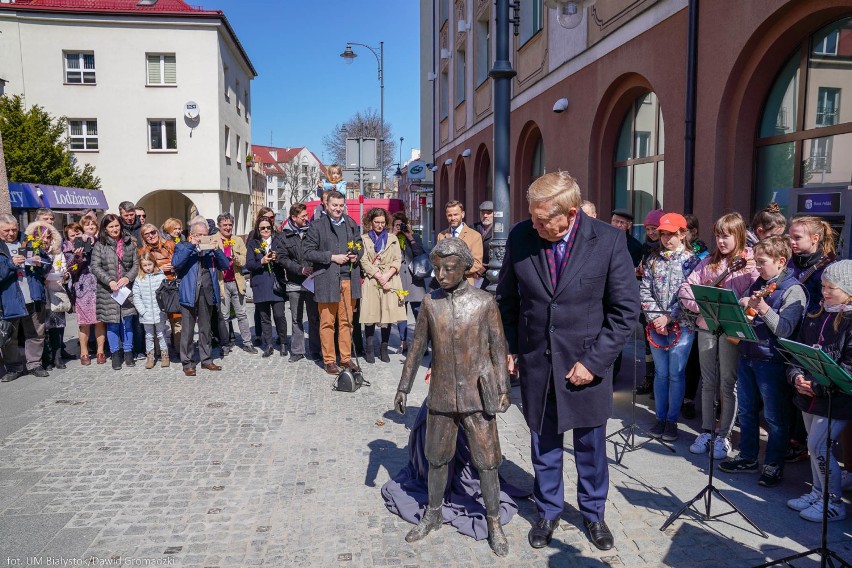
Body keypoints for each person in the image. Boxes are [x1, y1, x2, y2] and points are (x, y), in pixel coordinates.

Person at [496, 172, 639, 551]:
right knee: (543, 444)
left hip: (587, 366)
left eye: (544, 220)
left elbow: (625, 311)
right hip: (537, 362)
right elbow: (507, 300)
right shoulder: (521, 236)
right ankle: (547, 510)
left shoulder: (608, 241)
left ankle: (593, 514)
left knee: (591, 447)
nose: (536, 225)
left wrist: (594, 362)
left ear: (571, 213)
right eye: (533, 217)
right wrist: (510, 347)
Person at [394, 237, 512, 557]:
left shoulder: (485, 303)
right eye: (437, 269)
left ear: (465, 268)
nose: (441, 275)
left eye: (448, 268)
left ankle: (493, 521)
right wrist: (404, 387)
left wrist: (503, 388)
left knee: (488, 462)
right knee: (437, 458)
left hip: (478, 394)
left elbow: (498, 349)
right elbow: (416, 349)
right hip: (443, 395)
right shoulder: (431, 304)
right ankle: (433, 513)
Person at [719, 236, 806, 487]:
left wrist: (764, 308)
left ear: (781, 262)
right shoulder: (760, 282)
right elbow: (745, 313)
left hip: (772, 360)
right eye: (755, 261)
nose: (757, 267)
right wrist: (742, 303)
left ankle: (773, 464)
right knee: (747, 411)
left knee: (775, 418)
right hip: (748, 354)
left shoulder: (793, 289)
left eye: (762, 262)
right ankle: (747, 457)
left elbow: (786, 329)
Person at [680, 213, 758, 460]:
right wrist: (702, 306)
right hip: (707, 326)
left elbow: (754, 296)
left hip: (732, 330)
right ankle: (706, 430)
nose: (721, 241)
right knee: (708, 380)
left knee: (728, 382)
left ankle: (723, 435)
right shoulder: (709, 263)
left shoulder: (750, 263)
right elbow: (686, 289)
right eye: (717, 235)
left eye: (727, 236)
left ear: (739, 236)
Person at [785, 261, 851, 522]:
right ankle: (817, 492)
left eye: (831, 287)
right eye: (822, 286)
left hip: (837, 398)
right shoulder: (817, 314)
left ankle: (833, 502)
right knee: (815, 447)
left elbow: (848, 366)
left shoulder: (849, 321)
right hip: (808, 394)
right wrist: (796, 377)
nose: (824, 292)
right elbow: (796, 351)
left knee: (819, 446)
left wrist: (817, 386)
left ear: (848, 290)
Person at [640, 213, 700, 441]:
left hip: (682, 325)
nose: (666, 239)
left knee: (676, 374)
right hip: (656, 325)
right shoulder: (653, 259)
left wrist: (670, 316)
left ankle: (672, 420)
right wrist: (656, 317)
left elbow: (691, 294)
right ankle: (660, 418)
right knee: (661, 372)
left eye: (671, 234)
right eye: (663, 234)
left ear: (683, 234)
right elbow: (644, 290)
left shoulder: (691, 261)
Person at [787, 215, 837, 462]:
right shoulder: (791, 263)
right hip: (787, 332)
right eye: (790, 236)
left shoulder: (825, 269)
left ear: (815, 238)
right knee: (789, 388)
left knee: (805, 390)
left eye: (797, 237)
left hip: (810, 336)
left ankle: (802, 443)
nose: (792, 242)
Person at [303, 189, 364, 375]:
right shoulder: (317, 226)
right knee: (327, 322)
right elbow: (307, 252)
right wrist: (331, 257)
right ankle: (329, 360)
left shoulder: (351, 224)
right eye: (334, 205)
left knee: (347, 322)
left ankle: (345, 359)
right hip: (328, 280)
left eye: (340, 205)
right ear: (326, 206)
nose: (338, 209)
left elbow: (360, 245)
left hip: (348, 279)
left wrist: (356, 255)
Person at [172, 218, 230, 376]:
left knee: (206, 329)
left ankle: (206, 359)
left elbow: (225, 265)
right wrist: (192, 245)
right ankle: (188, 362)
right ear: (191, 235)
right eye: (199, 235)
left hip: (207, 292)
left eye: (205, 235)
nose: (202, 238)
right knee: (188, 330)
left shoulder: (210, 249)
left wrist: (217, 250)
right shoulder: (182, 246)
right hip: (189, 293)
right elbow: (176, 263)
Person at [0, 214, 49, 381]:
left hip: (33, 295)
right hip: (9, 299)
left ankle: (35, 364)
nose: (11, 233)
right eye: (6, 230)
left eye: (14, 229)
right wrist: (10, 264)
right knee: (10, 336)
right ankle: (14, 367)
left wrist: (40, 261)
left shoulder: (29, 240)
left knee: (36, 333)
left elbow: (46, 263)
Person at [90, 214, 139, 371]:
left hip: (125, 289)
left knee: (128, 322)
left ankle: (128, 352)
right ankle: (115, 353)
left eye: (116, 225)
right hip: (108, 290)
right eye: (111, 227)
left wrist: (127, 277)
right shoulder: (100, 245)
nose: (114, 229)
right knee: (112, 323)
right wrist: (109, 281)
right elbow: (95, 267)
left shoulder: (129, 243)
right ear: (105, 228)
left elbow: (136, 265)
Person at [359, 208, 407, 364]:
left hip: (390, 279)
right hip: (372, 280)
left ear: (386, 223)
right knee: (370, 315)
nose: (379, 225)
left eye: (382, 222)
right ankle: (370, 349)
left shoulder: (393, 238)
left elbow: (397, 260)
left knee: (387, 315)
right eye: (376, 222)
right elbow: (364, 261)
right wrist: (378, 276)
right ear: (371, 222)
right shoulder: (364, 239)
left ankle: (384, 349)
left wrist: (386, 276)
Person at [276, 203, 321, 362]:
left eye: (306, 215)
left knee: (314, 317)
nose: (306, 218)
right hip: (294, 282)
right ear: (294, 217)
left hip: (311, 281)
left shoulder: (312, 231)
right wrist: (299, 269)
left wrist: (311, 268)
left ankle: (316, 349)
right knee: (296, 318)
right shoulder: (283, 236)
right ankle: (297, 351)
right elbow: (282, 258)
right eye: (303, 216)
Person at [246, 216, 288, 358]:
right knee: (265, 317)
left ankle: (283, 343)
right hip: (261, 283)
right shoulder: (253, 243)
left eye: (268, 227)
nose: (265, 230)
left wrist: (278, 259)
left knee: (279, 315)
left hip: (276, 283)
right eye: (262, 228)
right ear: (258, 229)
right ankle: (268, 344)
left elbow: (286, 258)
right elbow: (249, 264)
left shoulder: (278, 241)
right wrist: (262, 261)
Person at [213, 213, 255, 354]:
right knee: (223, 316)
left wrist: (236, 258)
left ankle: (247, 343)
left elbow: (245, 260)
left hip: (237, 281)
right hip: (222, 283)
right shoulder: (214, 240)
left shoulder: (237, 240)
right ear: (219, 226)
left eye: (230, 224)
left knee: (242, 314)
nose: (228, 227)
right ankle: (225, 344)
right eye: (225, 225)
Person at [681, 213, 709, 419]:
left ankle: (689, 398)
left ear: (694, 231)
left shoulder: (703, 254)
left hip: (696, 314)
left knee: (694, 359)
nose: (682, 235)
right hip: (680, 309)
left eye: (686, 231)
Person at [65, 221, 104, 366]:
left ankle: (100, 351)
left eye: (78, 234)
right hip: (82, 289)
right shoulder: (68, 250)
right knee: (84, 323)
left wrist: (89, 241)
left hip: (98, 286)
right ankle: (84, 352)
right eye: (72, 236)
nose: (75, 237)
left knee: (100, 320)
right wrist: (78, 257)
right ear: (68, 238)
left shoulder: (92, 243)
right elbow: (71, 270)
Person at [390, 212, 429, 355]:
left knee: (419, 313)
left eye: (402, 225)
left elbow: (420, 254)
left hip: (415, 281)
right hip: (398, 280)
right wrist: (393, 234)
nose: (400, 227)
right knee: (401, 314)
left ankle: (421, 344)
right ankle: (403, 342)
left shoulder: (414, 237)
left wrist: (410, 237)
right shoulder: (390, 239)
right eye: (397, 225)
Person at [38, 221, 70, 371]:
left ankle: (58, 357)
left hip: (56, 292)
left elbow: (63, 270)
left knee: (57, 327)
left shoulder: (58, 253)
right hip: (41, 294)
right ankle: (47, 358)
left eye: (47, 238)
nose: (45, 241)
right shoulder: (33, 252)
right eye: (41, 239)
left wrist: (65, 275)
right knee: (44, 329)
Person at [132, 251, 168, 369]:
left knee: (161, 334)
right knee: (148, 335)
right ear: (141, 266)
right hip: (146, 313)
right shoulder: (139, 279)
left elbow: (165, 294)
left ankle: (164, 354)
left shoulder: (161, 276)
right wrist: (142, 311)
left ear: (154, 263)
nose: (148, 268)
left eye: (149, 264)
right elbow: (136, 296)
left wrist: (163, 309)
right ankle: (150, 356)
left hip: (159, 312)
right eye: (145, 265)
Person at [436, 201, 483, 285]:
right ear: (446, 216)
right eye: (450, 215)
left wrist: (456, 271)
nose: (453, 218)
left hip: (465, 283)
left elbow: (477, 263)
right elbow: (438, 260)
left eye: (456, 214)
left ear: (463, 214)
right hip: (445, 284)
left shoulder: (475, 236)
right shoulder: (441, 236)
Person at [473, 200, 494, 284]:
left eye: (488, 213)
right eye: (483, 213)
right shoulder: (473, 228)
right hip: (474, 272)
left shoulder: (500, 231)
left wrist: (483, 267)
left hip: (491, 273)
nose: (485, 216)